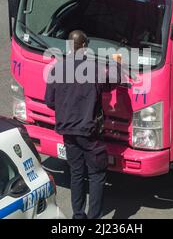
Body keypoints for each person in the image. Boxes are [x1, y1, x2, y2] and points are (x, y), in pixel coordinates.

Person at [44, 30, 120, 219]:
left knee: (76, 173)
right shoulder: (94, 69)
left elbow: (49, 101)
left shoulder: (57, 69)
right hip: (89, 133)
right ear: (85, 47)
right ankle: (94, 217)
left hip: (67, 132)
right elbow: (113, 82)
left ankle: (78, 216)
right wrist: (117, 63)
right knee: (96, 174)